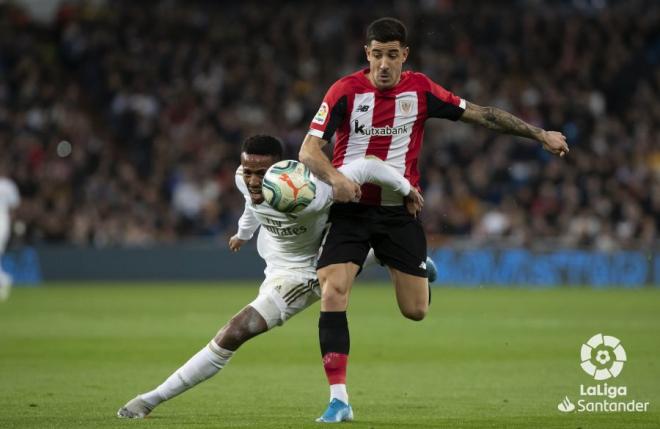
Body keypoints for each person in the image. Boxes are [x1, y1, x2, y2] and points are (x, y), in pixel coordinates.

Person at [298, 17, 570, 422]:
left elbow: (483, 115)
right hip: (350, 211)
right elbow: (308, 150)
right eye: (377, 55)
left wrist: (539, 133)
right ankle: (339, 399)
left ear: (404, 55)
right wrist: (336, 178)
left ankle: (419, 268)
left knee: (415, 311)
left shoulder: (421, 89)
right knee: (333, 291)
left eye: (392, 55)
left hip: (398, 212)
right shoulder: (345, 91)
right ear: (367, 54)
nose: (384, 64)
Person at [117, 134, 425, 419]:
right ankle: (389, 258)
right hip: (276, 259)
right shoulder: (243, 178)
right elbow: (252, 206)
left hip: (305, 273)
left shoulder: (315, 189)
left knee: (236, 330)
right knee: (239, 327)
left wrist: (406, 189)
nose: (251, 179)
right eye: (247, 170)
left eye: (261, 173)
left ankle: (151, 400)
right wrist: (242, 233)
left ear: (280, 169)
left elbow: (368, 165)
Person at [0, 163, 20, 302]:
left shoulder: (9, 185)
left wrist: (12, 224)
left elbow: (14, 207)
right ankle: (4, 279)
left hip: (2, 219)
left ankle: (4, 279)